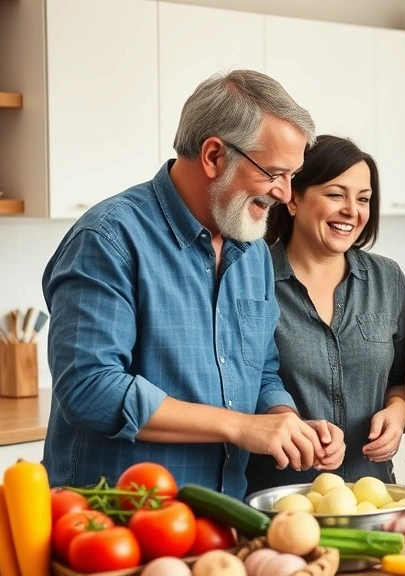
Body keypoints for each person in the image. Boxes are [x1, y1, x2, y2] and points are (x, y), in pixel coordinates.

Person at [41, 70, 345, 499]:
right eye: (275, 173)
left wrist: (284, 420)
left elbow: (261, 370)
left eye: (293, 175)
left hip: (222, 516)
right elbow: (90, 388)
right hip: (114, 523)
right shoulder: (109, 238)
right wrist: (241, 427)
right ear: (214, 156)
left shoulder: (252, 249)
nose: (285, 193)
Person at [246, 136, 405, 493]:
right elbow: (243, 381)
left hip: (372, 496)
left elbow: (402, 379)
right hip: (280, 499)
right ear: (293, 198)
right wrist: (290, 424)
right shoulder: (250, 276)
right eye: (336, 194)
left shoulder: (387, 280)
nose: (352, 210)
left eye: (363, 199)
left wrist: (397, 414)